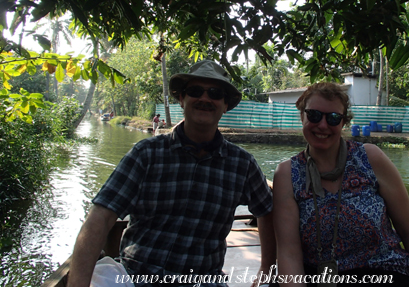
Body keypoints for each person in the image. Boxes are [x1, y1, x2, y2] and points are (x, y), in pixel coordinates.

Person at [67, 60, 275, 287]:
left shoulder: (241, 164)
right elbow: (101, 216)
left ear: (225, 105)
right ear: (181, 99)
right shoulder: (146, 154)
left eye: (215, 93)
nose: (205, 99)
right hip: (137, 276)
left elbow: (266, 211)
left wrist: (265, 271)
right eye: (196, 91)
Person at [273, 83, 409, 287]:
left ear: (343, 123)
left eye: (333, 118)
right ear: (302, 116)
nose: (323, 125)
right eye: (314, 115)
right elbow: (288, 253)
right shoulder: (287, 174)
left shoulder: (370, 158)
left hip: (382, 273)